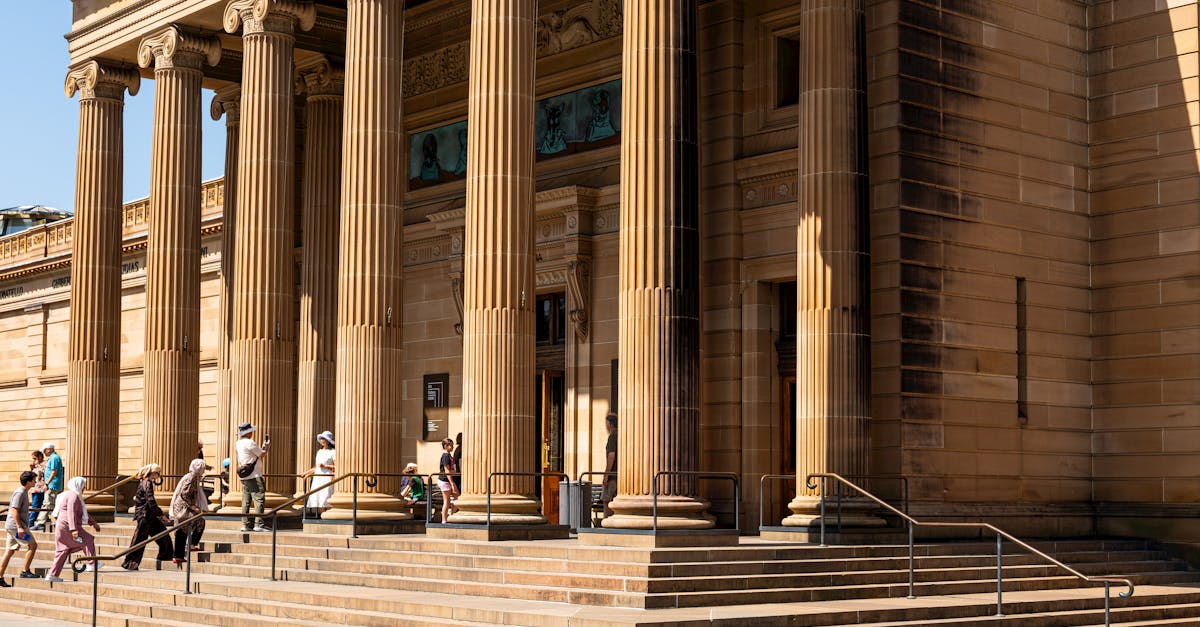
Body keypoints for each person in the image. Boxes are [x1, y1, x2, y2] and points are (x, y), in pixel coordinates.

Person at [46, 477, 100, 582]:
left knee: (63, 550)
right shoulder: (73, 496)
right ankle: (91, 563)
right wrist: (74, 530)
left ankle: (52, 575)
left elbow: (81, 513)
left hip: (62, 527)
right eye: (83, 486)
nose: (84, 488)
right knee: (87, 540)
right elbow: (71, 513)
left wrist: (93, 523)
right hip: (68, 527)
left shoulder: (71, 495)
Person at [122, 464, 173, 571]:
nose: (159, 475)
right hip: (145, 516)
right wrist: (161, 515)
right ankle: (130, 563)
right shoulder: (147, 483)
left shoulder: (145, 482)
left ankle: (164, 556)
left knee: (163, 536)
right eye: (158, 473)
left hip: (149, 516)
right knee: (139, 541)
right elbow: (151, 501)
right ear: (154, 473)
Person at [0, 471, 39, 586]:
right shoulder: (20, 492)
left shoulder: (23, 492)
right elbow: (15, 510)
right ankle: (25, 571)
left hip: (12, 527)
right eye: (34, 480)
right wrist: (20, 527)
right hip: (16, 528)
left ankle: (0, 576)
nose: (35, 482)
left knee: (10, 550)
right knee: (32, 545)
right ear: (28, 482)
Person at [169, 459, 208, 561]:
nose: (204, 470)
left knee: (193, 524)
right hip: (183, 508)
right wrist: (192, 506)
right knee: (184, 528)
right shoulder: (192, 478)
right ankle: (179, 555)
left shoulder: (191, 476)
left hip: (181, 506)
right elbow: (184, 493)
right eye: (203, 468)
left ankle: (184, 550)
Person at [235, 422, 270, 532]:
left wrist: (262, 449)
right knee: (259, 498)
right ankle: (258, 524)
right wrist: (267, 447)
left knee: (246, 500)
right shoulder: (250, 442)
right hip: (254, 475)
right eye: (251, 431)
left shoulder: (238, 443)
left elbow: (254, 455)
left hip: (244, 475)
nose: (252, 433)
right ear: (248, 432)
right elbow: (262, 454)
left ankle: (245, 524)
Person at [303, 431, 335, 517]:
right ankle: (323, 517)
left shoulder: (333, 452)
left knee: (326, 497)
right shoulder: (319, 451)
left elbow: (337, 466)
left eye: (323, 438)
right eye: (321, 438)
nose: (321, 440)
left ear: (328, 441)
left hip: (327, 478)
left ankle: (328, 517)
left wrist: (326, 466)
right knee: (319, 499)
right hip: (318, 478)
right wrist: (306, 473)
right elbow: (316, 467)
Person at [32, 442, 63, 531]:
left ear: (49, 449)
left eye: (44, 450)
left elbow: (54, 472)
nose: (44, 452)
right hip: (53, 484)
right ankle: (55, 522)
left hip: (52, 485)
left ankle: (40, 523)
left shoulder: (54, 458)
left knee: (47, 504)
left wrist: (47, 483)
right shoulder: (53, 457)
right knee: (51, 504)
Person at [438, 438, 459, 522]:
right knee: (447, 501)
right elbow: (447, 470)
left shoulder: (449, 455)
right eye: (450, 445)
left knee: (457, 498)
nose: (452, 447)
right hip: (445, 480)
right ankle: (444, 520)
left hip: (449, 480)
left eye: (452, 445)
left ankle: (451, 516)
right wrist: (452, 483)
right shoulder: (445, 456)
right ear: (445, 446)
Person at [603, 412, 618, 517]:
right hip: (621, 476)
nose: (606, 426)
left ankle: (606, 521)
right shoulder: (621, 435)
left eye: (607, 423)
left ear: (611, 424)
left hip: (613, 476)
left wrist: (606, 475)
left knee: (607, 500)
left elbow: (611, 456)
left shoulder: (613, 436)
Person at [26, 451, 45, 529]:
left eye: (35, 458)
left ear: (40, 457)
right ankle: (30, 522)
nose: (34, 460)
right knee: (35, 505)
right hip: (34, 488)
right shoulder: (36, 465)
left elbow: (41, 476)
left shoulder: (44, 465)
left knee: (36, 506)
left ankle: (30, 522)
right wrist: (32, 469)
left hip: (40, 489)